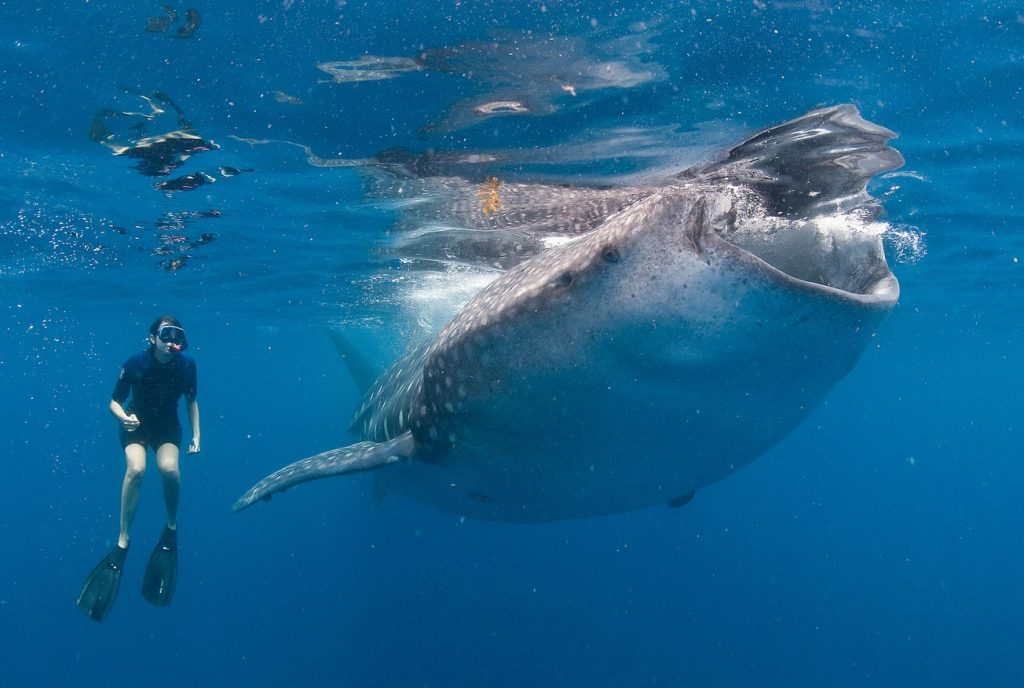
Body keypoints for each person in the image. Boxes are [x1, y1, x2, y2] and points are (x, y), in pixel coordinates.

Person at [77, 316, 201, 621]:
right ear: (152, 338)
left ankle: (171, 528)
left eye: (178, 336)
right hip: (136, 423)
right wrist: (123, 418)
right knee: (136, 470)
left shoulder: (186, 365)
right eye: (167, 334)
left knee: (170, 469)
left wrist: (198, 435)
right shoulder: (135, 363)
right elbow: (114, 402)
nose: (173, 342)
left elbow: (191, 402)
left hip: (167, 427)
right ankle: (123, 540)